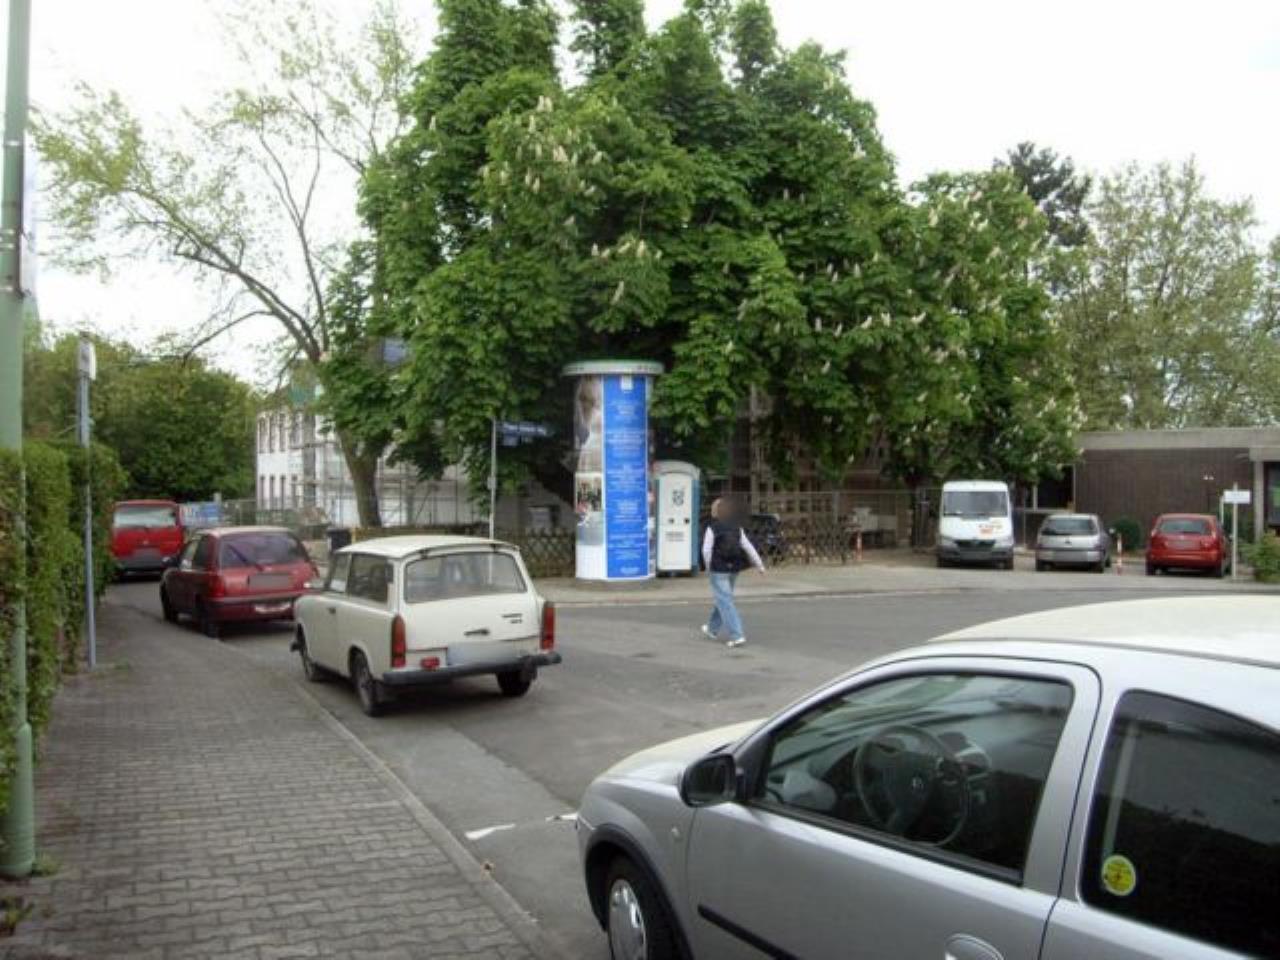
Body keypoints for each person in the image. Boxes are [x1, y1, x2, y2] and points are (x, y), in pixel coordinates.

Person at [701, 497, 765, 648]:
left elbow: (706, 550)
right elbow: (748, 547)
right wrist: (760, 565)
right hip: (734, 569)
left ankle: (737, 635)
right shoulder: (737, 528)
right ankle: (712, 628)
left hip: (718, 569)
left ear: (715, 512)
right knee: (724, 598)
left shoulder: (712, 528)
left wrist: (708, 566)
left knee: (725, 601)